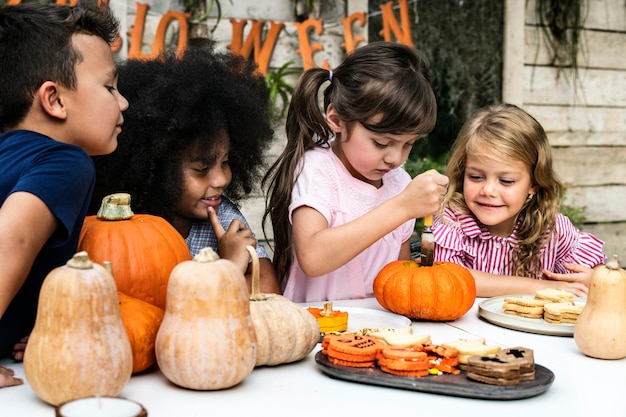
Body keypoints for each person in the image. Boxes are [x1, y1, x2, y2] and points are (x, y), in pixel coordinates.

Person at [0, 2, 128, 388]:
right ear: (54, 100)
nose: (123, 102)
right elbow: (11, 239)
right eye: (109, 87)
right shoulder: (66, 162)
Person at [262, 42, 449, 303]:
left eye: (409, 144)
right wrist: (402, 208)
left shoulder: (399, 184)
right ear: (337, 120)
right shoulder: (317, 170)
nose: (395, 158)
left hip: (379, 331)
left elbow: (400, 276)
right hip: (319, 329)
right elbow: (312, 257)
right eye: (381, 143)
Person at [90, 43, 280, 294]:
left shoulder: (221, 216)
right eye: (202, 168)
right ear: (157, 172)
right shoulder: (124, 229)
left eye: (225, 162)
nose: (221, 179)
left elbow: (268, 288)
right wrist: (230, 270)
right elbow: (161, 303)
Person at [433, 103, 607, 298]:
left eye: (506, 181)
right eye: (475, 177)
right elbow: (450, 277)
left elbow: (598, 273)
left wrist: (594, 279)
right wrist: (540, 286)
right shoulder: (452, 220)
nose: (488, 190)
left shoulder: (552, 229)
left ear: (534, 183)